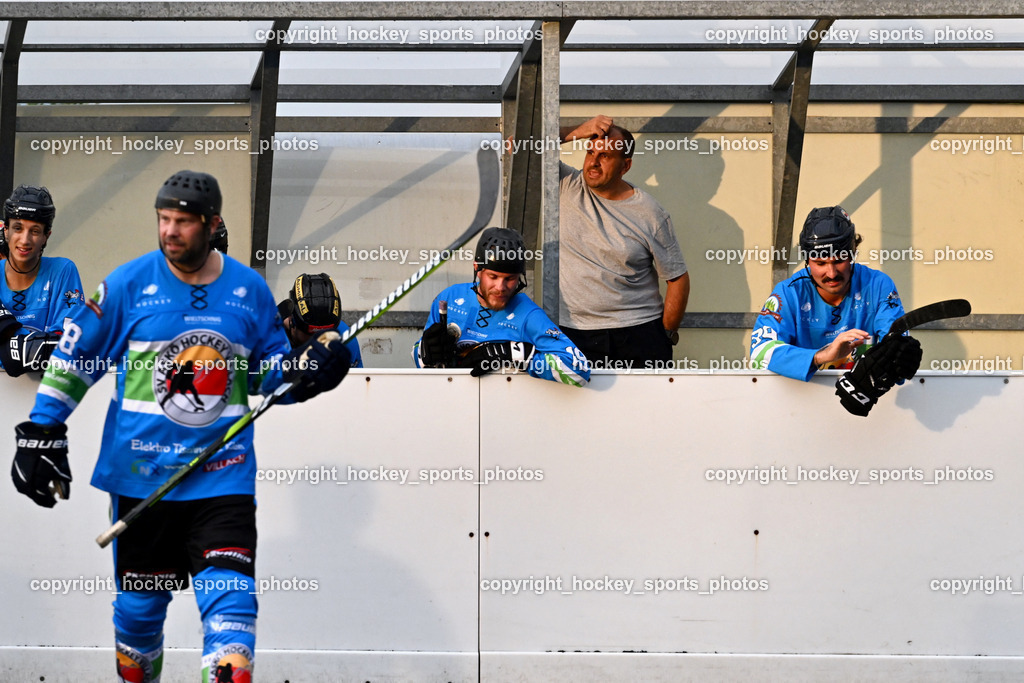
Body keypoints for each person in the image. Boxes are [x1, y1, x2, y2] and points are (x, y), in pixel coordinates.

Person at [10, 170, 352, 683]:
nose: (170, 231)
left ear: (212, 224)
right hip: (142, 477)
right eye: (164, 219)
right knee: (139, 619)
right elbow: (75, 358)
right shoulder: (128, 284)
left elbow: (268, 375)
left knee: (233, 612)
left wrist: (312, 370)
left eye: (184, 222)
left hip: (222, 478)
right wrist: (42, 430)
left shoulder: (249, 291)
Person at [749, 205, 921, 415]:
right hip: (799, 411)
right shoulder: (789, 292)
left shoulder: (878, 284)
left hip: (871, 414)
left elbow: (896, 345)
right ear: (807, 260)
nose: (831, 273)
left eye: (839, 260)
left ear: (853, 254)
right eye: (820, 263)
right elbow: (759, 352)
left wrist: (900, 356)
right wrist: (822, 355)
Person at [557, 114, 690, 368]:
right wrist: (578, 131)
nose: (593, 163)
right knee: (582, 408)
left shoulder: (650, 212)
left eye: (605, 156)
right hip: (575, 334)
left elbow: (677, 278)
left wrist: (667, 335)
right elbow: (517, 145)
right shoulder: (567, 184)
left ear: (625, 166)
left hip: (638, 334)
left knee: (645, 408)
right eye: (590, 152)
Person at [414, 227, 590, 386]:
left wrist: (512, 354)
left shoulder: (529, 314)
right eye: (493, 276)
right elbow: (421, 362)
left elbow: (578, 371)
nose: (500, 287)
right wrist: (424, 351)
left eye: (509, 279)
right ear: (477, 268)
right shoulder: (450, 298)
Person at [0, 184, 84, 376]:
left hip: (48, 394)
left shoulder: (62, 270)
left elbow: (66, 347)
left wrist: (5, 339)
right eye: (17, 228)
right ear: (6, 231)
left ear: (47, 236)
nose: (24, 240)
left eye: (35, 231)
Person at [278, 272, 362, 366]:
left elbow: (357, 380)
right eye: (312, 334)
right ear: (292, 322)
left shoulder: (345, 339)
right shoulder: (269, 341)